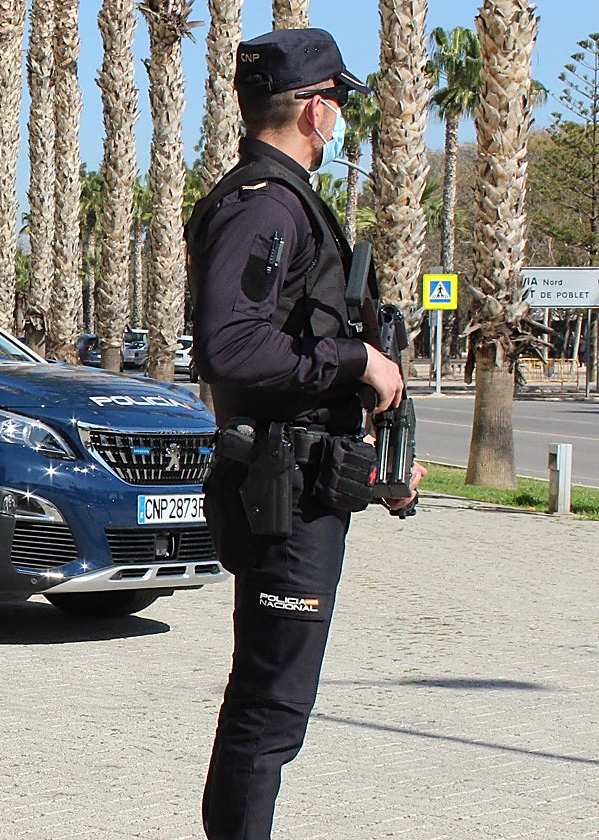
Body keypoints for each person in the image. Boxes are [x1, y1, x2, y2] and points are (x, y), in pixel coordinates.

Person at [184, 28, 426, 840]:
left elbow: (295, 371)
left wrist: (379, 466)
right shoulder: (266, 205)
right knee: (268, 714)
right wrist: (358, 356)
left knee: (271, 708)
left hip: (300, 484)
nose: (341, 118)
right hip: (277, 500)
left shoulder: (283, 202)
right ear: (316, 111)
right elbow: (232, 346)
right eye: (338, 103)